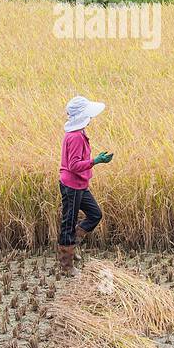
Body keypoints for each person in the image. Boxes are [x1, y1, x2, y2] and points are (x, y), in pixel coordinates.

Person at [58, 95, 112, 274]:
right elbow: (73, 165)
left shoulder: (80, 133)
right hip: (72, 186)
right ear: (82, 117)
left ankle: (73, 243)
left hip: (80, 184)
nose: (91, 118)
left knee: (95, 214)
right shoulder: (75, 137)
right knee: (68, 222)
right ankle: (67, 265)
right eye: (88, 115)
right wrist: (95, 161)